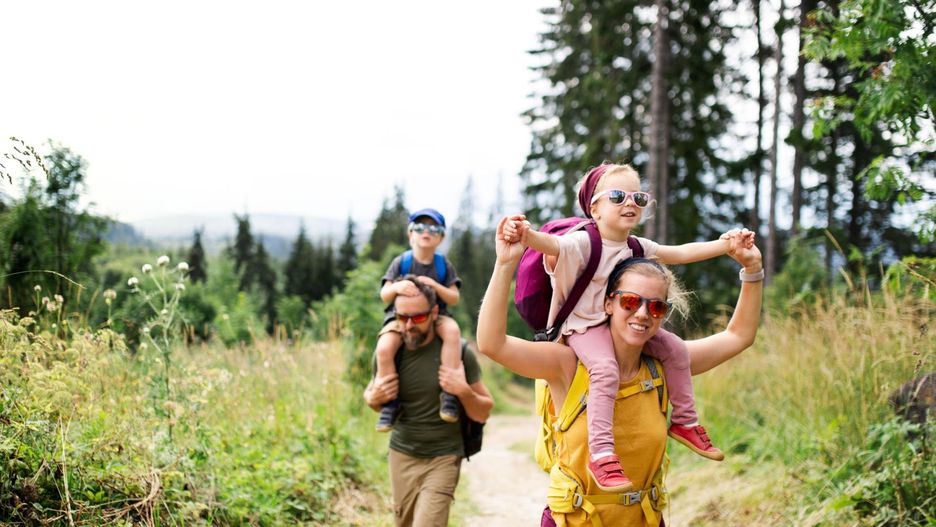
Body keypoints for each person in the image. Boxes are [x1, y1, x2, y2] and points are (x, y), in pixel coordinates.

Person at [479, 216, 764, 526]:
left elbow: (739, 336)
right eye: (630, 301)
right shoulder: (568, 364)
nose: (642, 314)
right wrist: (505, 263)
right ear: (608, 304)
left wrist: (752, 271)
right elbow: (492, 344)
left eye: (656, 307)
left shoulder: (665, 367)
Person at [504, 163, 755, 492]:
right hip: (583, 328)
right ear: (594, 207)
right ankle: (602, 453)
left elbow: (678, 254)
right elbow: (551, 246)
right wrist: (524, 235)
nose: (630, 204)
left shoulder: (636, 247)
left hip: (612, 324)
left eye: (639, 197)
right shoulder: (582, 242)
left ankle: (684, 422)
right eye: (618, 196)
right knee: (605, 369)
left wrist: (726, 246)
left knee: (676, 349)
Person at [364, 276, 494, 527]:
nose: (409, 325)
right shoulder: (391, 352)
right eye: (402, 318)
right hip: (401, 455)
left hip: (444, 457)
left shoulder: (460, 354)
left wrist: (462, 390)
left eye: (419, 318)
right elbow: (371, 396)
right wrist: (373, 398)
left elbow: (484, 411)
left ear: (435, 312)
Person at [374, 208, 465, 432]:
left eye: (434, 229)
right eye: (420, 228)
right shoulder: (401, 262)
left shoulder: (443, 265)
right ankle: (390, 402)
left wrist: (435, 286)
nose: (426, 232)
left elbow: (454, 297)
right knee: (384, 348)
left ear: (441, 237)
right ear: (410, 234)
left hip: (437, 315)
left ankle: (449, 394)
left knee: (453, 333)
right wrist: (396, 286)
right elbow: (384, 294)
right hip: (401, 317)